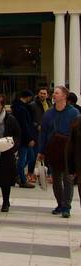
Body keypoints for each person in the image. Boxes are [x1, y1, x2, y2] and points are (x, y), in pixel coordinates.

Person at [38, 85, 79, 217]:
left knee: (68, 179)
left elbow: (78, 134)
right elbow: (43, 133)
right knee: (56, 180)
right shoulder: (48, 113)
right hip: (53, 150)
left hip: (68, 151)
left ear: (64, 96)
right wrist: (41, 151)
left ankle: (66, 207)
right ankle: (60, 204)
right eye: (53, 93)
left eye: (56, 93)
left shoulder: (74, 113)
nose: (53, 95)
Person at [12, 88, 38, 188]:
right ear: (28, 97)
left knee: (30, 157)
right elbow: (24, 125)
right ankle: (21, 179)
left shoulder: (21, 107)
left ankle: (17, 174)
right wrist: (29, 139)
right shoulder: (21, 109)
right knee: (23, 158)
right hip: (23, 138)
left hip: (24, 137)